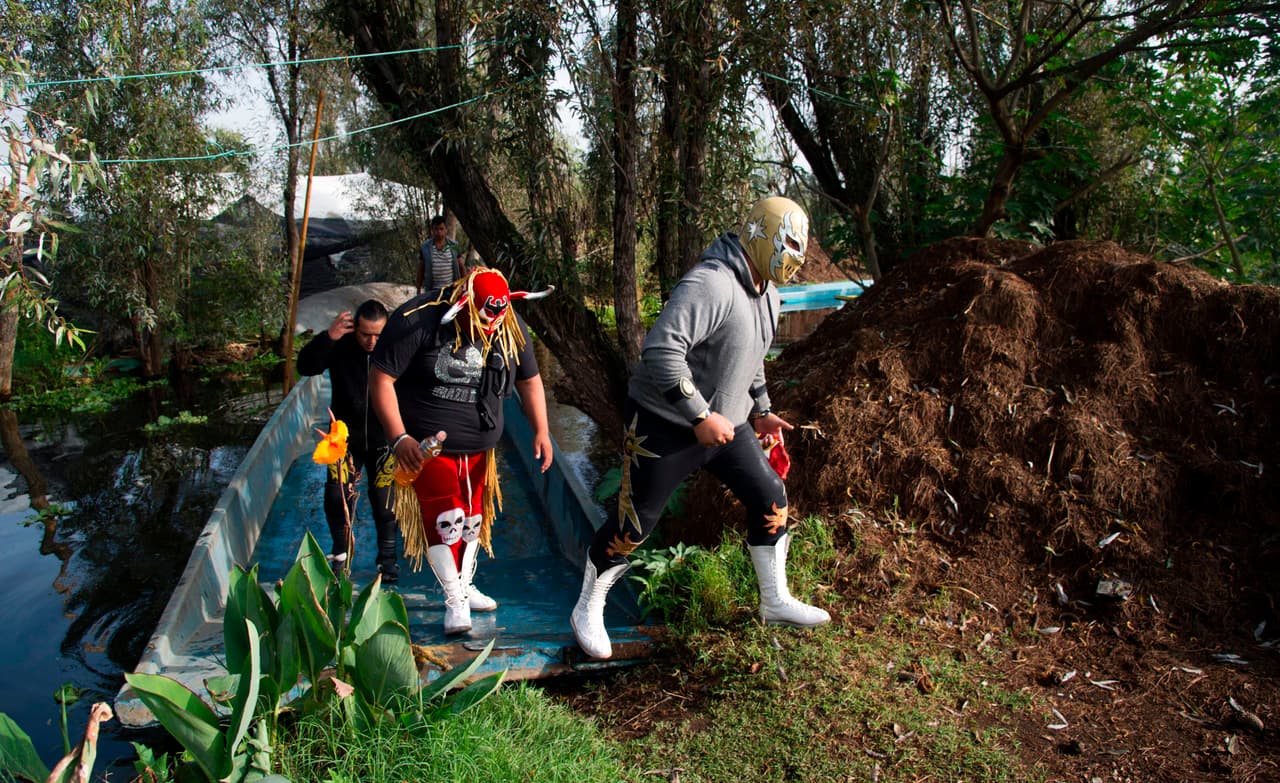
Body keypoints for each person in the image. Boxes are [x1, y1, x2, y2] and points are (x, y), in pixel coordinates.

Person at [571, 195, 831, 660]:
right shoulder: (711, 283)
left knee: (770, 496)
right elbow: (661, 353)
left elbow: (752, 362)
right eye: (789, 242)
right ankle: (588, 606)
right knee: (634, 526)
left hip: (726, 426)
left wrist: (762, 410)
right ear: (761, 235)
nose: (795, 255)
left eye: (800, 246)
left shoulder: (766, 291)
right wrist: (699, 415)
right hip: (665, 424)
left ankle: (774, 601)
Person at [370, 266, 554, 635]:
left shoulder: (509, 323)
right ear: (465, 305)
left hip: (480, 447)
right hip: (427, 447)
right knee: (446, 519)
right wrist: (399, 437)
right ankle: (453, 598)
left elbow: (529, 379)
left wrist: (542, 430)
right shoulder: (418, 319)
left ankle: (465, 585)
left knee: (471, 520)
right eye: (482, 323)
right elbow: (381, 378)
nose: (489, 332)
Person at [297, 299, 403, 583]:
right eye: (365, 333)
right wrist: (328, 338)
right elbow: (305, 366)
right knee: (336, 498)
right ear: (354, 328)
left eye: (378, 334)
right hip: (342, 438)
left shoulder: (394, 349)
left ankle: (388, 562)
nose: (371, 341)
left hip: (382, 439)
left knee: (385, 503)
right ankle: (340, 557)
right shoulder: (340, 346)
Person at [417, 215, 465, 294]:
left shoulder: (453, 246)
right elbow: (421, 270)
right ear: (432, 230)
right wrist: (418, 289)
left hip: (451, 290)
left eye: (441, 229)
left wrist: (463, 286)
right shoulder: (425, 248)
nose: (439, 232)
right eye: (436, 229)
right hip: (432, 291)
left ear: (446, 230)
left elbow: (461, 267)